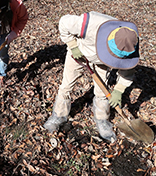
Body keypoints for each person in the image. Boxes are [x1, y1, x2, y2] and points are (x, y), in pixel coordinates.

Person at [43, 11, 140, 142]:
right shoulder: (90, 24)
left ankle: (102, 120)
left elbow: (127, 70)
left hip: (102, 63)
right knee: (66, 85)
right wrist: (73, 46)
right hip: (78, 54)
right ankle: (58, 115)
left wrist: (118, 90)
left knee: (102, 91)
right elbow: (64, 22)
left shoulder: (130, 42)